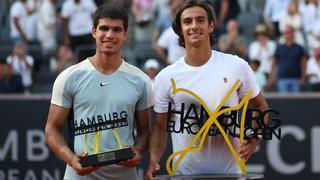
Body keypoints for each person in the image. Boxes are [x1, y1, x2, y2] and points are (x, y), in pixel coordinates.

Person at [145, 0, 268, 178]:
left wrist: (255, 138)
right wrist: (154, 159)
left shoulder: (236, 65)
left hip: (231, 174)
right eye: (187, 22)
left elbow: (261, 107)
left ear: (211, 25)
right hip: (185, 174)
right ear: (180, 29)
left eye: (200, 20)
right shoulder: (166, 76)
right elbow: (160, 126)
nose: (194, 26)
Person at [45, 4, 153, 179]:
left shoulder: (140, 80)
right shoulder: (69, 77)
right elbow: (52, 129)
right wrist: (72, 160)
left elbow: (145, 133)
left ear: (125, 33)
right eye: (104, 28)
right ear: (94, 31)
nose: (109, 35)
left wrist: (139, 152)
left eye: (117, 29)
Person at [266, 25, 307, 93]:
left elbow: (303, 64)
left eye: (289, 32)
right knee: (284, 102)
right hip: (282, 79)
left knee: (296, 102)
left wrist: (303, 78)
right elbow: (273, 64)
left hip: (296, 79)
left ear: (293, 33)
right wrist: (271, 78)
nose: (287, 34)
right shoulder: (279, 48)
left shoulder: (299, 48)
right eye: (285, 33)